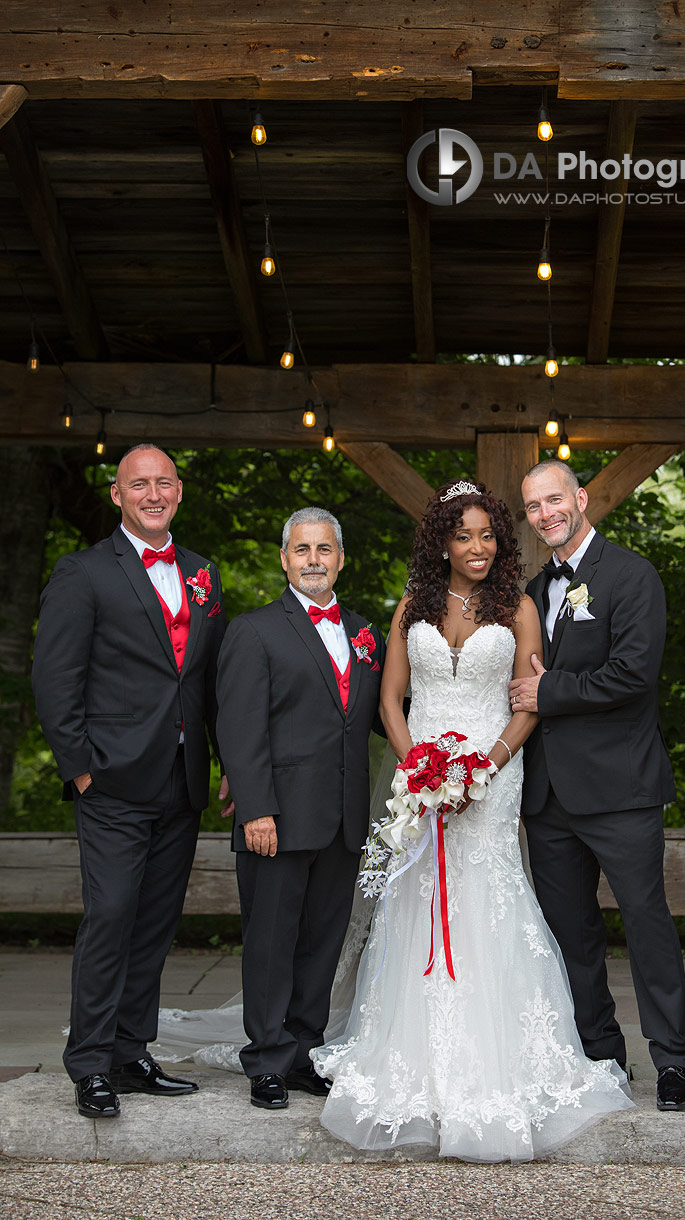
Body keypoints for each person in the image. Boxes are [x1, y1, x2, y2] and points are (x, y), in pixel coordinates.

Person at [310, 481, 634, 1163]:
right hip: (422, 775)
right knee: (419, 897)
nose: (478, 547)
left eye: (488, 534)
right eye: (464, 536)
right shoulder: (410, 608)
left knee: (490, 895)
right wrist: (421, 769)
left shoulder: (517, 608)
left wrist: (483, 764)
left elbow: (529, 698)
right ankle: (413, 1059)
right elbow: (392, 702)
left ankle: (504, 1063)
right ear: (441, 543)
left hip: (495, 772)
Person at [32, 443, 227, 1119]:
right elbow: (55, 681)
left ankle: (130, 1050)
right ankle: (88, 1063)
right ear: (117, 495)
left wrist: (225, 764)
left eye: (163, 482)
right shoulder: (82, 572)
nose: (152, 493)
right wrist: (81, 770)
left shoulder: (203, 573)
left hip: (179, 781)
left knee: (153, 923)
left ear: (178, 490)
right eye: (137, 484)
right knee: (111, 918)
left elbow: (203, 683)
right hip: (112, 781)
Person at [509, 459, 685, 1112]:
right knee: (571, 935)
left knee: (646, 924)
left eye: (553, 500)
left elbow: (631, 676)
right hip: (548, 800)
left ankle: (673, 1060)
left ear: (580, 498)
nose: (545, 514)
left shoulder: (630, 575)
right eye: (534, 506)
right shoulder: (532, 590)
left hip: (621, 791)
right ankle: (600, 1054)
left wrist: (549, 689)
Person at [214, 506, 385, 1112]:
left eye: (325, 549)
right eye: (302, 550)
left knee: (322, 941)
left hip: (342, 817)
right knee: (270, 941)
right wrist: (255, 809)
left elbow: (387, 711)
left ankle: (304, 1053)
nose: (314, 560)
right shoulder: (254, 631)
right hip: (276, 819)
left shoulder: (367, 634)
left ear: (341, 558)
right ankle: (265, 1058)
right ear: (285, 558)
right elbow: (238, 727)